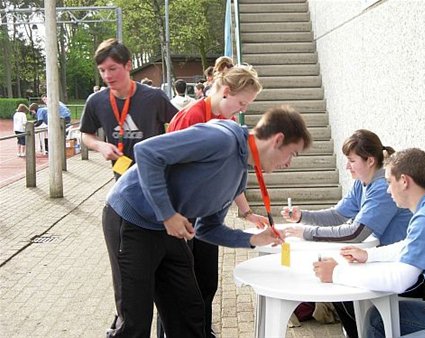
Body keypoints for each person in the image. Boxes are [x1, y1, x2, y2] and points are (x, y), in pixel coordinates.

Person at [103, 106, 312, 337]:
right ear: (278, 140)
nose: (288, 163)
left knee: (189, 312)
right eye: (292, 153)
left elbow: (207, 229)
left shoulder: (239, 175)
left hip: (168, 229)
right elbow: (146, 152)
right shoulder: (220, 138)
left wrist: (253, 238)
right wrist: (168, 214)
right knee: (135, 321)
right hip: (132, 218)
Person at [281, 129, 417, 337]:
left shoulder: (381, 187)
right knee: (336, 283)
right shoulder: (362, 184)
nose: (347, 166)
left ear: (370, 160)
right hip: (385, 259)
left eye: (352, 161)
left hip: (404, 268)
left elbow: (356, 233)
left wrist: (306, 232)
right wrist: (302, 216)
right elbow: (338, 215)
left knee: (339, 284)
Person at [167, 64, 268, 338]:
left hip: (205, 217)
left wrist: (247, 213)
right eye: (242, 102)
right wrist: (171, 216)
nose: (243, 110)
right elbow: (165, 166)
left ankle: (202, 329)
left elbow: (232, 172)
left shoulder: (229, 122)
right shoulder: (191, 117)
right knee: (182, 289)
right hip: (181, 218)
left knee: (206, 282)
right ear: (225, 92)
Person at [314, 148, 425, 337]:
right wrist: (369, 254)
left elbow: (400, 280)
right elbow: (408, 245)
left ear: (404, 181)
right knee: (376, 318)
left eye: (388, 182)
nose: (387, 190)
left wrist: (336, 273)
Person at [80, 38, 177, 178]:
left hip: (156, 176)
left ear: (128, 65)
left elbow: (181, 125)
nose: (107, 76)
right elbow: (86, 134)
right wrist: (100, 145)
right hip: (122, 178)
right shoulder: (96, 101)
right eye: (102, 70)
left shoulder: (154, 97)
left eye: (113, 69)